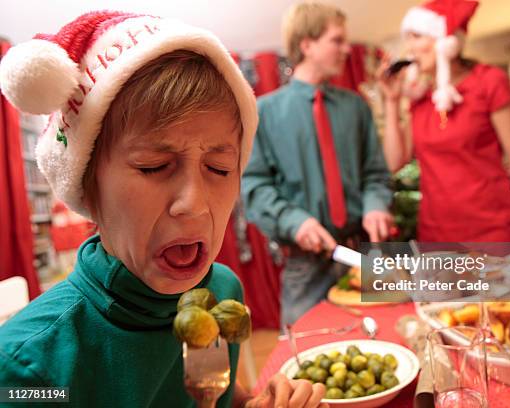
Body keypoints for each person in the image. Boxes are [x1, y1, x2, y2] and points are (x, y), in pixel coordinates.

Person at [0, 11, 327, 408]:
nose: (194, 204)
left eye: (220, 168)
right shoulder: (25, 370)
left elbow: (211, 394)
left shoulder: (217, 291)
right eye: (153, 166)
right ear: (88, 182)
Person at [241, 2, 393, 325]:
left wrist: (376, 205)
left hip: (361, 256)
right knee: (305, 358)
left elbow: (376, 173)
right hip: (304, 268)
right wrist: (296, 222)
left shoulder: (356, 108)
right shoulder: (263, 113)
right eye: (336, 40)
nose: (346, 48)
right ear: (307, 44)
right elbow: (253, 186)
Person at [377, 0, 510, 242]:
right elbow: (394, 161)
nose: (410, 48)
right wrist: (392, 101)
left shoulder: (488, 82)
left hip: (494, 229)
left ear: (445, 42)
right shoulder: (420, 99)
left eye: (417, 37)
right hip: (437, 234)